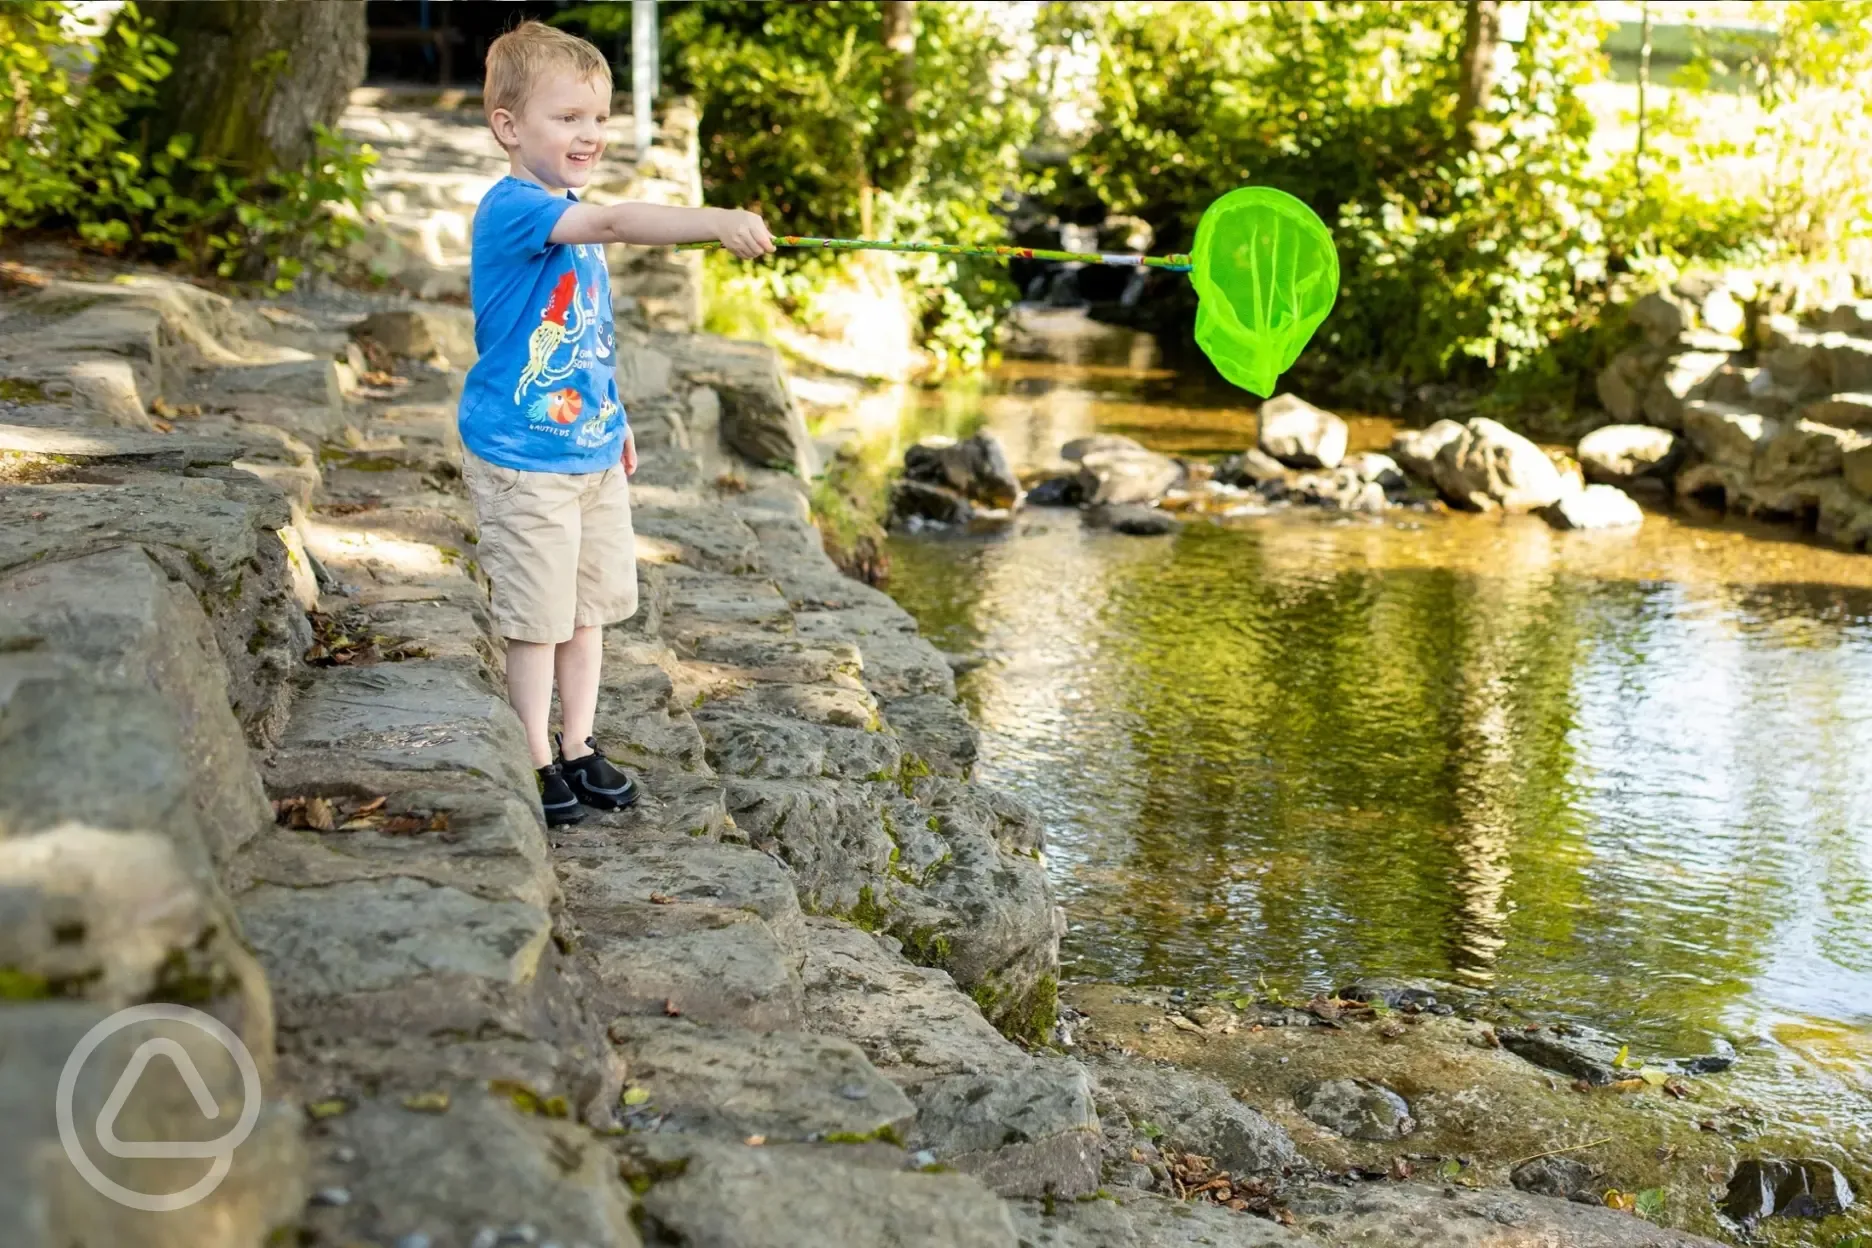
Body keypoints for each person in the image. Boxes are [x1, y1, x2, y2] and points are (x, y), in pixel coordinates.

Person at [462, 21, 774, 825]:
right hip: (524, 456)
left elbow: (584, 335)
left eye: (598, 119)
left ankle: (578, 742)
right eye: (568, 118)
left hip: (590, 448)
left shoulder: (565, 210)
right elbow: (612, 223)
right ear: (509, 126)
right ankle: (533, 755)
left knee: (588, 608)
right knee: (537, 616)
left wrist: (618, 415)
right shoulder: (516, 211)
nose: (589, 135)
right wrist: (712, 221)